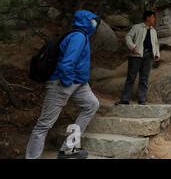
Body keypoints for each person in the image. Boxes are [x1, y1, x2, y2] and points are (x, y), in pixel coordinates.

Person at [26, 10, 100, 159]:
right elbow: (67, 64)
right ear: (85, 21)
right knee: (44, 124)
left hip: (79, 83)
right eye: (92, 20)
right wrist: (67, 83)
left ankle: (68, 148)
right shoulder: (78, 37)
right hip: (63, 83)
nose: (95, 23)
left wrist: (78, 81)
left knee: (91, 105)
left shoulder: (82, 36)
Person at [115, 10, 160, 105]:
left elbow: (156, 44)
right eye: (153, 17)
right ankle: (125, 99)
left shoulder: (153, 31)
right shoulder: (137, 27)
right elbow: (128, 37)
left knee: (144, 78)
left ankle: (142, 99)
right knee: (131, 77)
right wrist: (132, 46)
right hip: (136, 55)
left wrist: (157, 54)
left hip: (148, 56)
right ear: (148, 18)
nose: (154, 19)